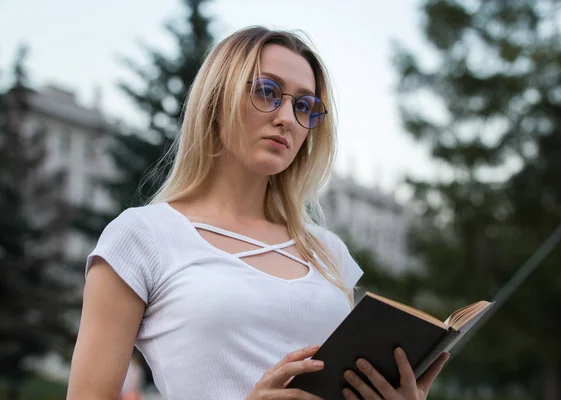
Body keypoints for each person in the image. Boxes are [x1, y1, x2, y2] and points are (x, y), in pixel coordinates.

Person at [66, 26, 449, 400]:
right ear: (216, 101)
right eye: (267, 92)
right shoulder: (142, 236)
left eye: (304, 106)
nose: (286, 118)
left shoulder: (328, 253)